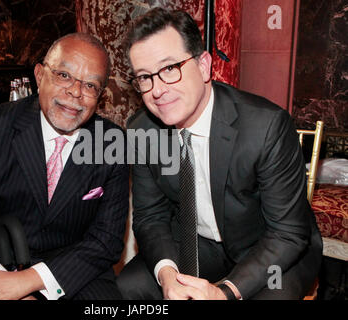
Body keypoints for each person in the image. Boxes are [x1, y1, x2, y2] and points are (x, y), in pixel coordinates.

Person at [117, 8, 322, 300]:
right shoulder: (142, 130)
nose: (157, 90)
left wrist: (224, 293)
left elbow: (288, 233)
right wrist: (167, 276)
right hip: (200, 244)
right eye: (145, 77)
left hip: (272, 248)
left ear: (203, 66)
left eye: (169, 69)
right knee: (130, 285)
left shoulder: (265, 126)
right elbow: (150, 217)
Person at [0, 32, 129, 300]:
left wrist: (28, 283)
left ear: (100, 96)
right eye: (64, 76)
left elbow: (106, 241)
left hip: (70, 270)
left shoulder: (111, 143)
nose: (76, 92)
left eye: (90, 85)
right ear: (40, 75)